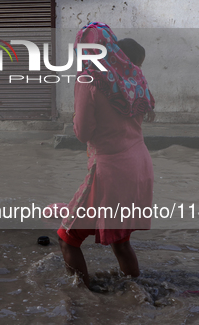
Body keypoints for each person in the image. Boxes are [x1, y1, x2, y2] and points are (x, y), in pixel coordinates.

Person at [57, 22, 155, 288]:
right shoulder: (133, 76)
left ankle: (82, 297)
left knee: (67, 237)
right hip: (140, 165)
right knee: (121, 242)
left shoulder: (88, 79)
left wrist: (76, 116)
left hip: (109, 171)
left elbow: (83, 132)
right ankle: (135, 291)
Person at [116, 37, 156, 122]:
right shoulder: (113, 79)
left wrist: (149, 106)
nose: (139, 69)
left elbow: (145, 91)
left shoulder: (138, 79)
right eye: (138, 66)